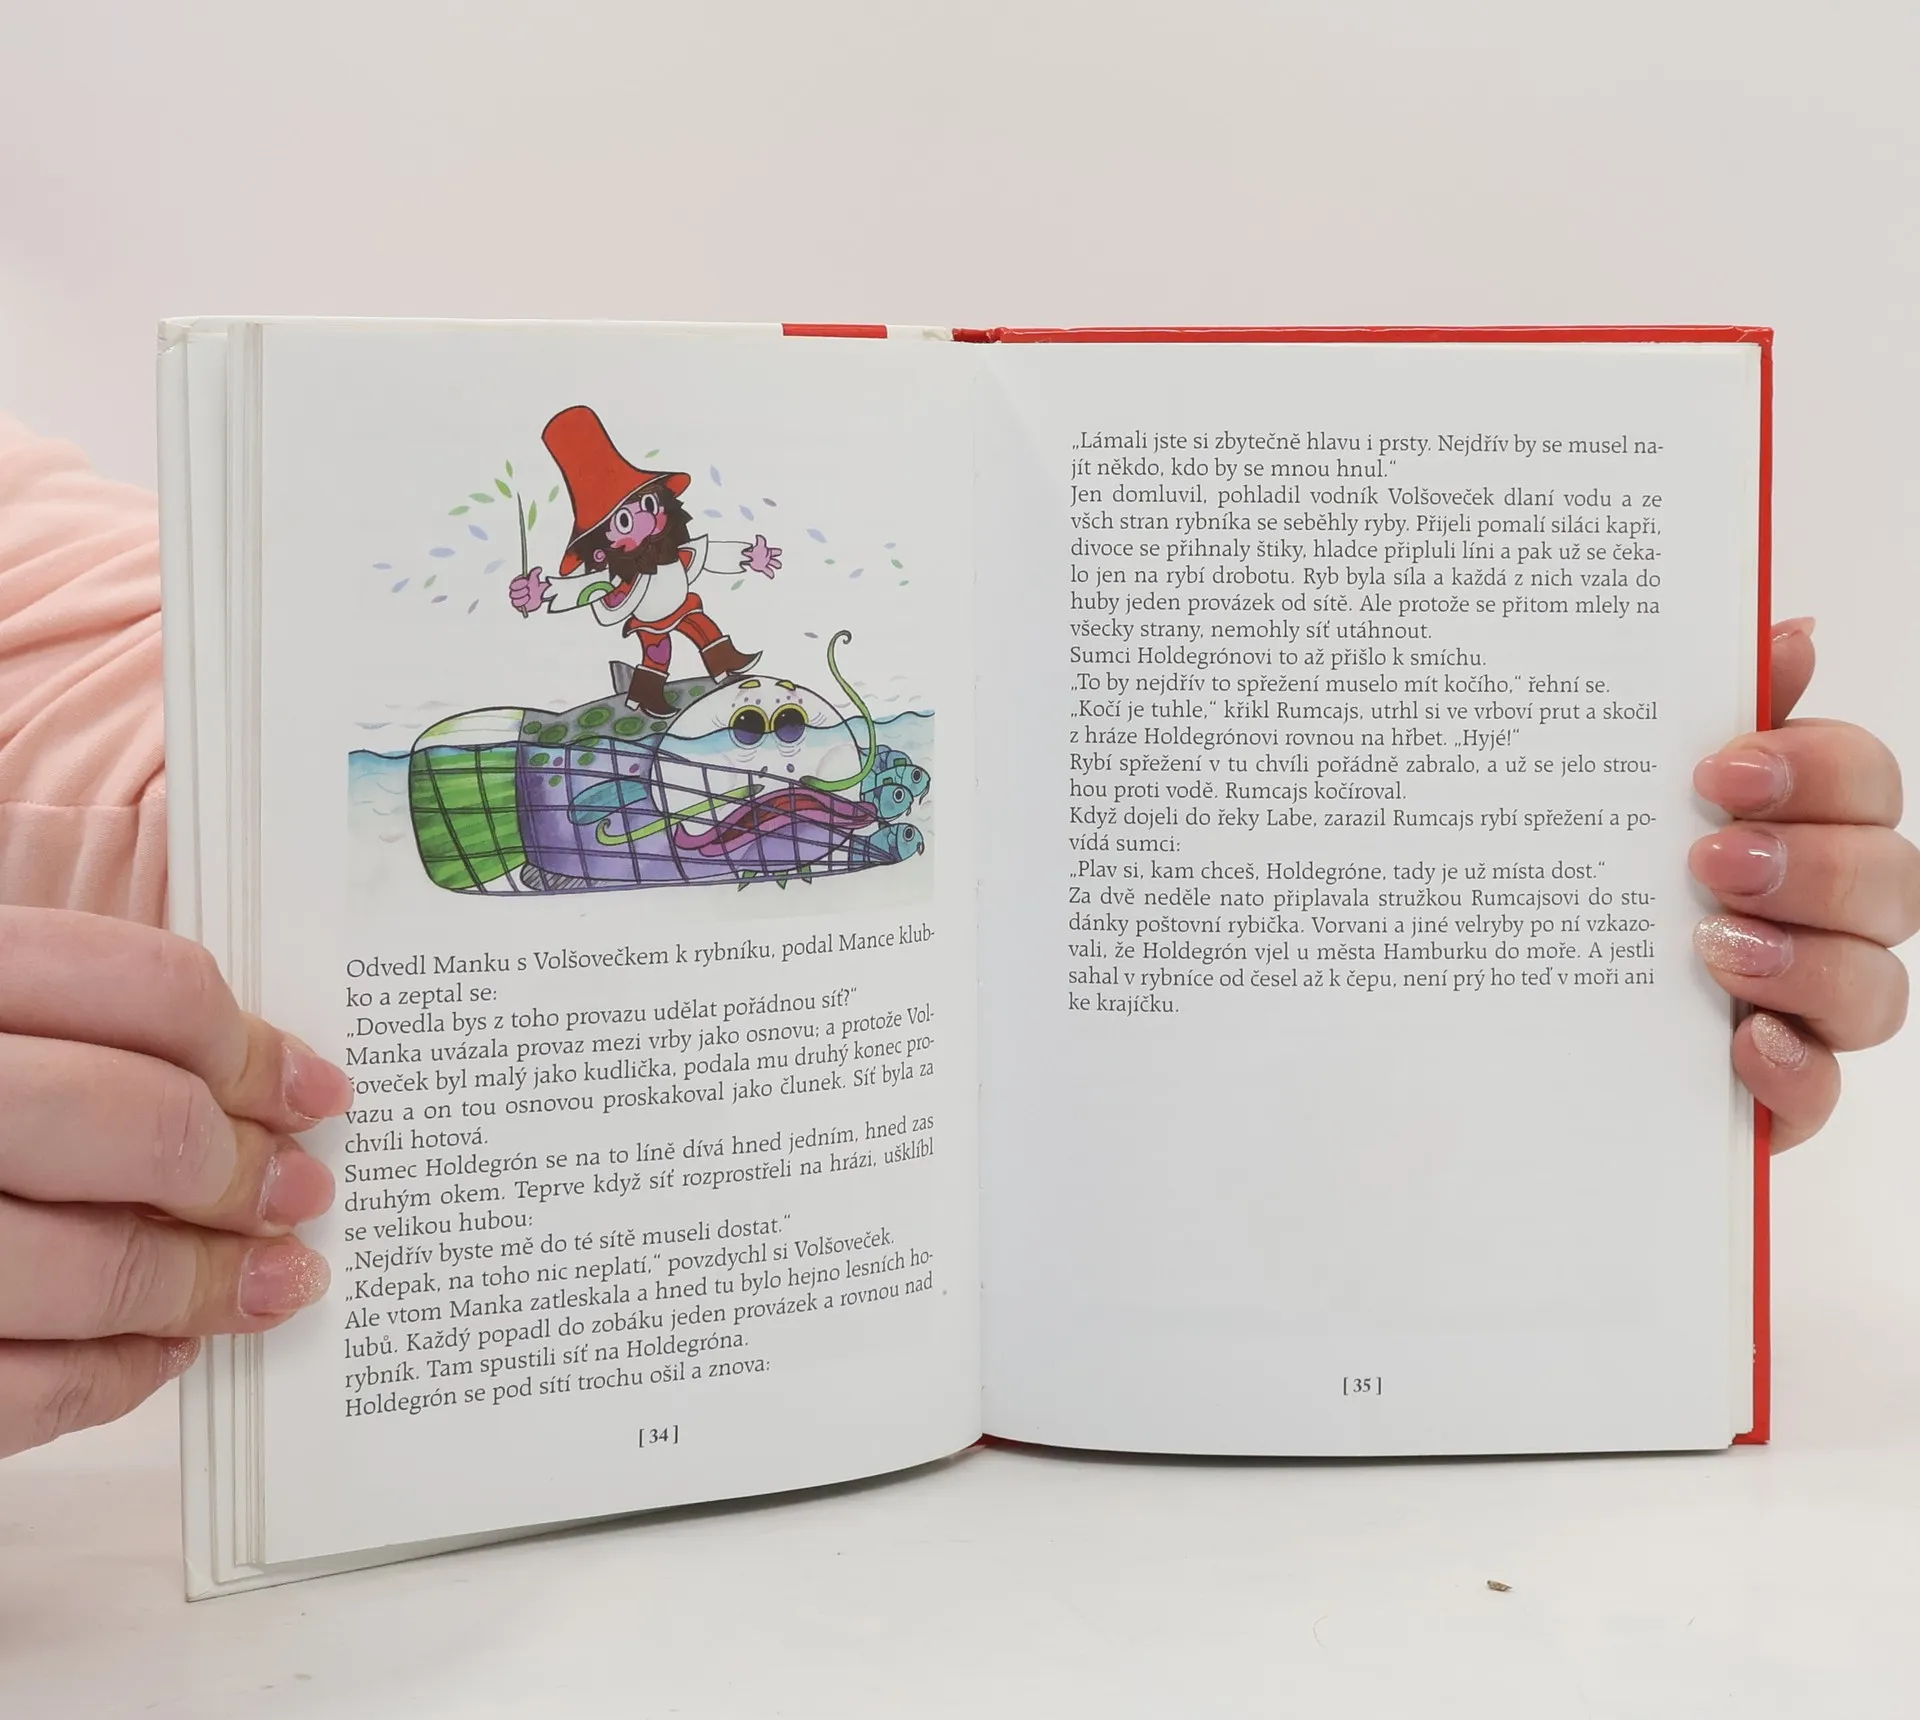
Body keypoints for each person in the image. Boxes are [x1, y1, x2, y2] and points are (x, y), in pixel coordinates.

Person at [1, 413, 1915, 1458]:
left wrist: (1517, 914)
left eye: (647, 534)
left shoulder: (674, 639)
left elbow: (65, 613)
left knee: (740, 778)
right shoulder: (632, 638)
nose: (646, 553)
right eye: (631, 540)